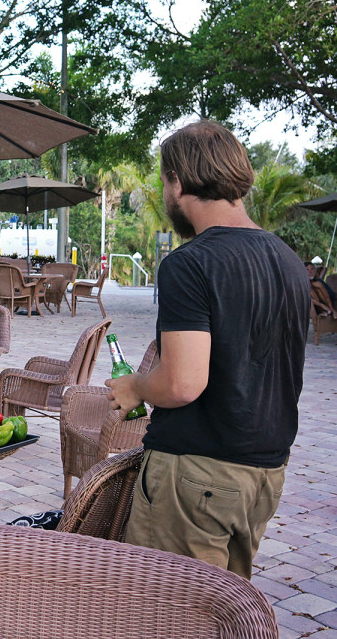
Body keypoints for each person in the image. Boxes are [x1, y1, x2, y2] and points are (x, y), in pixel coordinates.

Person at [106, 120, 309, 579]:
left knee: (170, 614)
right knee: (220, 611)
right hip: (262, 476)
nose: (164, 193)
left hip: (196, 476)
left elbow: (181, 383)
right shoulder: (289, 261)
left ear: (178, 182)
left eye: (163, 182)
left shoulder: (189, 264)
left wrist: (136, 385)